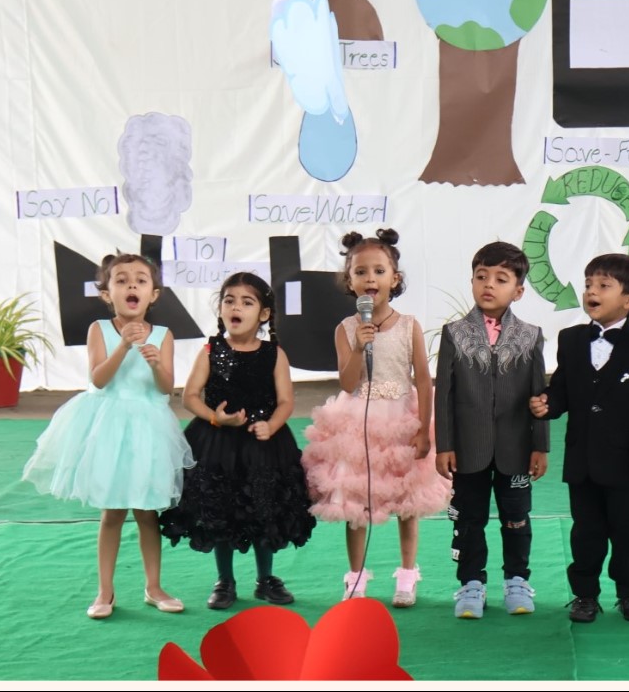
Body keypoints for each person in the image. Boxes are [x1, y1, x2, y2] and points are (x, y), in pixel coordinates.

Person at [24, 252, 194, 618]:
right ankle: (105, 591)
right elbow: (98, 379)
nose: (132, 285)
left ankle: (154, 586)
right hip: (108, 427)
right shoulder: (99, 329)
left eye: (141, 280)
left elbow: (166, 387)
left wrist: (155, 363)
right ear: (107, 294)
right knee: (112, 512)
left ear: (153, 294)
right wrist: (124, 346)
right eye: (121, 280)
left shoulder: (163, 335)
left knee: (147, 512)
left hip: (148, 429)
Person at [302, 228, 449, 609]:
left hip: (402, 416)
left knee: (407, 500)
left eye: (379, 271)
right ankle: (356, 577)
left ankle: (407, 575)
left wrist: (424, 430)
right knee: (357, 501)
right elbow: (348, 382)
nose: (371, 279)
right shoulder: (346, 329)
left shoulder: (409, 325)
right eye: (361, 271)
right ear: (349, 281)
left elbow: (423, 379)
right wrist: (358, 346)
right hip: (359, 421)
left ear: (394, 279)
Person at [162, 273, 310, 610]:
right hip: (217, 446)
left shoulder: (274, 354)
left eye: (246, 302)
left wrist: (272, 425)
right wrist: (216, 418)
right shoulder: (211, 351)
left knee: (264, 510)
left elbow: (286, 401)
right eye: (229, 300)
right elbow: (190, 396)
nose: (236, 307)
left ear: (264, 314)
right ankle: (225, 580)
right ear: (221, 309)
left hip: (264, 447)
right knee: (221, 512)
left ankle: (265, 579)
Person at [535, 253, 629, 624]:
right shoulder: (571, 339)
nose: (592, 291)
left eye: (604, 285)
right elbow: (562, 389)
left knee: (625, 531)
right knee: (585, 532)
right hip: (582, 459)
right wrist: (547, 404)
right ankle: (585, 594)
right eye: (589, 284)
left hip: (623, 461)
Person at [435, 243, 548, 621]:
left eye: (501, 279)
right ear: (471, 281)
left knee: (517, 517)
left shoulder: (531, 335)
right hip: (468, 449)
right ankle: (471, 583)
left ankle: (517, 580)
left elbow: (539, 395)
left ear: (518, 290)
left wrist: (540, 446)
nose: (488, 285)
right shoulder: (454, 334)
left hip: (517, 448)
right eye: (481, 276)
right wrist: (445, 445)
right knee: (469, 519)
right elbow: (444, 394)